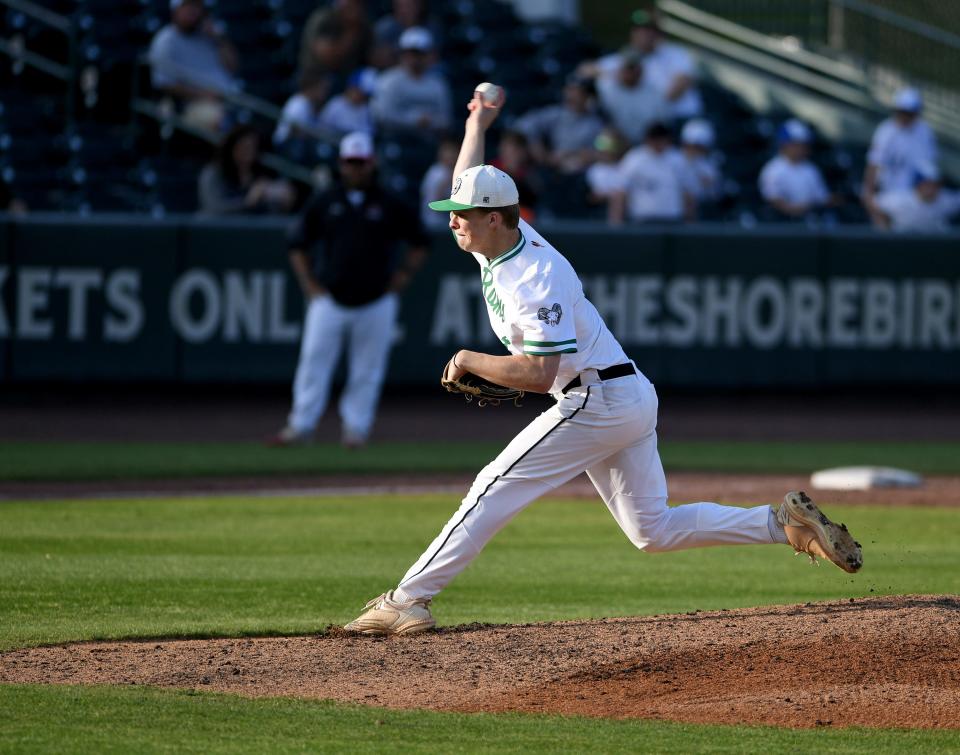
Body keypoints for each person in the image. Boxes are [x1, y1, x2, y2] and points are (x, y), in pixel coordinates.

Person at [344, 90, 862, 636]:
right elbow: (466, 175)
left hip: (596, 399)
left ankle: (408, 599)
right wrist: (477, 121)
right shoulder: (493, 239)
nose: (453, 223)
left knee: (493, 485)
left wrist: (471, 358)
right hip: (627, 392)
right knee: (652, 531)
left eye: (462, 215)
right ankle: (781, 524)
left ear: (495, 218)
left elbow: (540, 375)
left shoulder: (535, 277)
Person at [269, 132, 429, 449]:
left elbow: (421, 241)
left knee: (367, 370)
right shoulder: (325, 200)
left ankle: (356, 429)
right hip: (330, 298)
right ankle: (301, 426)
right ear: (341, 164)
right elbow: (297, 243)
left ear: (372, 163)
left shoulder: (389, 201)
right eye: (350, 163)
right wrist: (309, 283)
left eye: (361, 163)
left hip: (377, 299)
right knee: (314, 363)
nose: (355, 169)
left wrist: (404, 275)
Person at [587, 8, 702, 121]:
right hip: (645, 125)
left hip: (680, 120)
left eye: (649, 30)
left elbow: (680, 85)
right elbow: (587, 70)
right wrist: (617, 76)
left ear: (659, 33)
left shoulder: (676, 54)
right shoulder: (626, 58)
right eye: (639, 30)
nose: (644, 35)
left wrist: (649, 107)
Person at [147, 0, 240, 132]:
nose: (193, 11)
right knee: (218, 119)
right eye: (188, 6)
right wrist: (203, 94)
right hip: (188, 104)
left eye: (197, 6)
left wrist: (219, 39)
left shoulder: (210, 36)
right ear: (175, 10)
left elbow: (233, 66)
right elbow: (164, 84)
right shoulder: (165, 40)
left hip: (227, 98)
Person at [861, 88, 938, 209]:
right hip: (889, 193)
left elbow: (929, 168)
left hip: (917, 195)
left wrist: (929, 189)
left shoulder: (925, 131)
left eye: (909, 113)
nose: (905, 116)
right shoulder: (886, 131)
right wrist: (868, 194)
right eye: (902, 112)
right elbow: (874, 164)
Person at [512, 75, 605, 174]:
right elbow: (523, 124)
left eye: (578, 93)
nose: (571, 96)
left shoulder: (596, 124)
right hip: (550, 168)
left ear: (588, 97)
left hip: (578, 173)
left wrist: (574, 155)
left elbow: (602, 152)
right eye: (570, 90)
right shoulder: (558, 114)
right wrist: (535, 144)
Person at [370, 27, 451, 137]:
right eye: (410, 53)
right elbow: (382, 116)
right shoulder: (388, 80)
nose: (414, 58)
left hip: (428, 141)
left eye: (419, 54)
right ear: (402, 54)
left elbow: (445, 120)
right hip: (395, 139)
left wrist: (430, 121)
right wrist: (414, 120)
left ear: (428, 55)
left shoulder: (438, 84)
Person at [198, 125, 295, 215]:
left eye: (253, 147)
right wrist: (249, 201)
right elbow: (215, 209)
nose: (249, 153)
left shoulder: (261, 174)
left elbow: (271, 212)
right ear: (232, 148)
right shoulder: (213, 173)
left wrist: (280, 197)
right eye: (244, 147)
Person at [581, 52, 669, 145]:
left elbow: (663, 123)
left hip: (644, 145)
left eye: (633, 68)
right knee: (604, 139)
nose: (630, 72)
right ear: (620, 69)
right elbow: (590, 110)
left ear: (641, 70)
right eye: (627, 68)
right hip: (614, 142)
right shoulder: (605, 87)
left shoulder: (654, 93)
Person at [608, 122, 689, 224]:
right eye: (655, 141)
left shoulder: (678, 159)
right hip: (642, 221)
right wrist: (615, 222)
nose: (659, 144)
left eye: (662, 140)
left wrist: (690, 222)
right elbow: (620, 191)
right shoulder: (634, 159)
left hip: (672, 220)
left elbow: (688, 193)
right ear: (648, 140)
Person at [758, 119, 833, 222]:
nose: (800, 149)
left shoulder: (811, 169)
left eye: (803, 145)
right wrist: (798, 209)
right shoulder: (773, 169)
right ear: (784, 144)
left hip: (810, 220)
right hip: (782, 222)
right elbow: (774, 200)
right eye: (795, 144)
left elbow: (822, 198)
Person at [867, 162, 960, 232]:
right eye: (927, 184)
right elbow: (870, 201)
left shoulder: (946, 200)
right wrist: (884, 225)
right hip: (904, 247)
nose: (932, 189)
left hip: (937, 249)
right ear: (918, 185)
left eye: (935, 185)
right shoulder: (900, 200)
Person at [299, 0, 372, 81]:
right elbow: (325, 56)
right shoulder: (325, 18)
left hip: (349, 76)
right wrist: (350, 31)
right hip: (315, 76)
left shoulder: (362, 23)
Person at [273, 69, 334, 153]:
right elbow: (293, 132)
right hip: (285, 145)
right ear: (313, 86)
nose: (325, 92)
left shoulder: (310, 104)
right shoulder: (298, 103)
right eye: (323, 88)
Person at [676, 118, 722, 216]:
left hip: (702, 210)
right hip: (676, 208)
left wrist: (709, 184)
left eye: (698, 147)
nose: (693, 150)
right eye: (690, 146)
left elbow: (714, 194)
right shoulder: (674, 160)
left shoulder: (709, 166)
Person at [319, 67, 378, 138]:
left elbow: (370, 132)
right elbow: (322, 129)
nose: (362, 97)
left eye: (365, 96)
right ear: (351, 87)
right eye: (360, 92)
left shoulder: (366, 109)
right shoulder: (336, 104)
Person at [420, 135, 460, 229]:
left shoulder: (454, 171)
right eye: (447, 151)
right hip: (434, 220)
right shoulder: (436, 171)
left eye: (454, 151)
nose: (451, 155)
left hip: (448, 220)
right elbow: (436, 201)